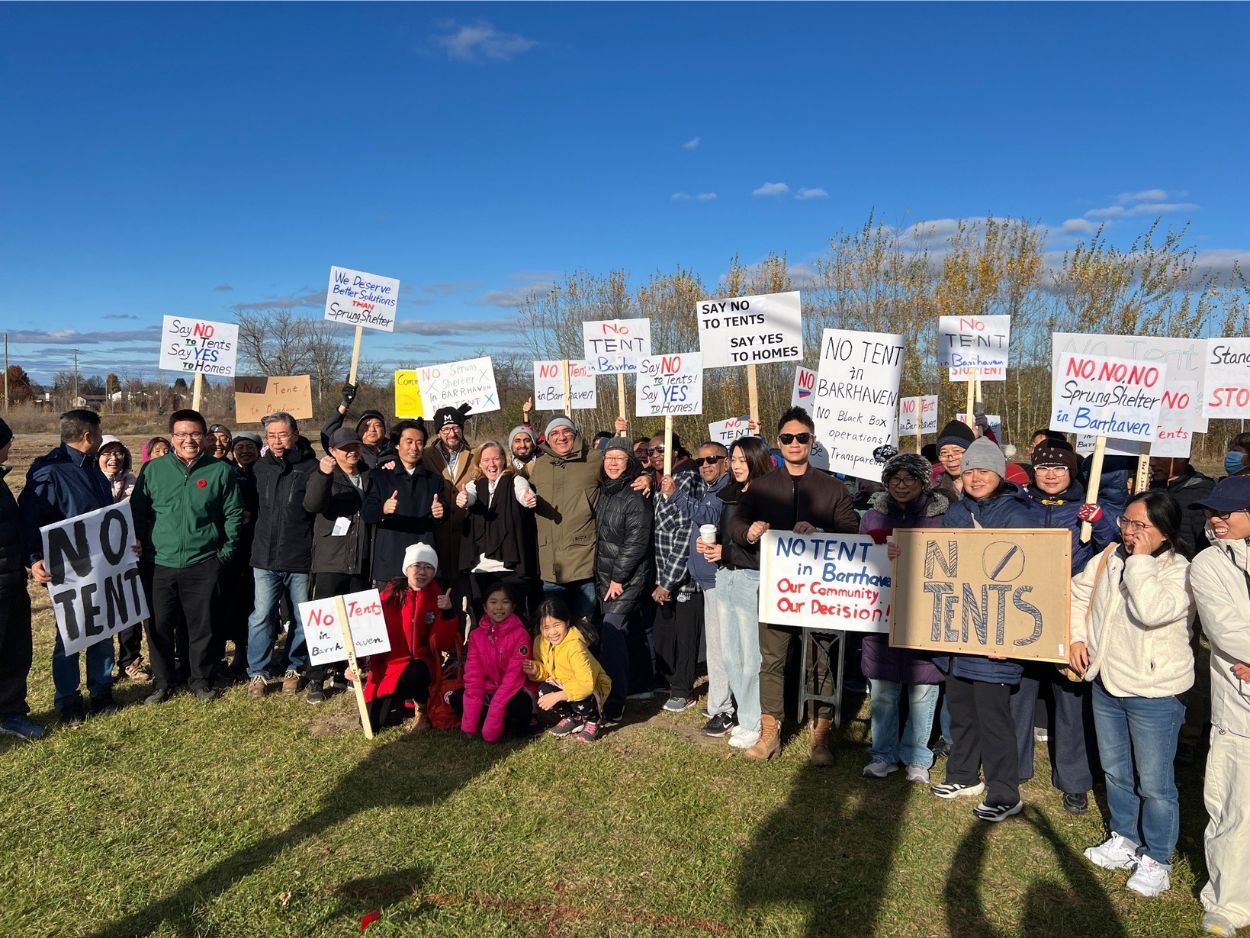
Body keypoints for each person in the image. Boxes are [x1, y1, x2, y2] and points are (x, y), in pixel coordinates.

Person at [1068, 490, 1193, 897]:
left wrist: (1139, 561)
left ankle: (1157, 856)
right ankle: (1124, 836)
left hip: (1154, 692)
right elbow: (1079, 594)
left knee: (1155, 782)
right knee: (1116, 770)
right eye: (1127, 522)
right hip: (1107, 680)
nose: (1131, 532)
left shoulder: (1181, 571)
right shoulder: (1108, 557)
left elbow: (1151, 611)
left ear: (1165, 532)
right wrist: (1075, 638)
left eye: (1142, 525)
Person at [729, 407, 859, 764]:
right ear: (778, 442)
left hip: (821, 591)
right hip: (776, 588)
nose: (795, 443)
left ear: (812, 441)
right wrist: (749, 531)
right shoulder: (761, 488)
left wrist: (821, 534)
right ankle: (770, 731)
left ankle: (821, 734)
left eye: (802, 437)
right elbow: (736, 525)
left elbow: (852, 532)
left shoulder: (832, 489)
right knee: (771, 660)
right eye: (787, 438)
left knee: (820, 659)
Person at [929, 436, 1033, 822]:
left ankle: (1005, 791)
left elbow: (1028, 574)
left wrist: (1008, 637)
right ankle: (962, 774)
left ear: (1000, 474)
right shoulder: (956, 513)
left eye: (984, 470)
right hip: (960, 631)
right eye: (970, 470)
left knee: (994, 717)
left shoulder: (1017, 514)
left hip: (996, 635)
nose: (976, 477)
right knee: (961, 710)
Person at [1013, 441, 1117, 814]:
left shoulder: (1085, 509)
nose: (1051, 474)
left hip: (1069, 611)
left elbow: (1114, 551)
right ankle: (1014, 767)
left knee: (1070, 694)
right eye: (1043, 468)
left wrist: (1101, 522)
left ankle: (1075, 780)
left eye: (1059, 468)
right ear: (1034, 471)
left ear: (1072, 471)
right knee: (1019, 690)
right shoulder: (1018, 503)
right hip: (1022, 607)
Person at [130, 409, 243, 704]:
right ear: (172, 438)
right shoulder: (154, 470)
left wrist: (224, 553)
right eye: (181, 434)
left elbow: (232, 514)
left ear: (205, 437)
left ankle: (200, 679)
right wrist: (140, 543)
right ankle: (163, 681)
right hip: (159, 563)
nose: (188, 440)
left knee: (201, 626)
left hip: (203, 562)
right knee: (158, 626)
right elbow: (139, 512)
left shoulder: (220, 471)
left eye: (194, 433)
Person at [19, 408, 116, 725]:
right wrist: (34, 558)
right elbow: (30, 520)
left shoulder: (93, 469)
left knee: (102, 629)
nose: (101, 440)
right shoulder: (50, 471)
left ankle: (101, 690)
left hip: (100, 565)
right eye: (99, 434)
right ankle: (69, 700)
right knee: (69, 636)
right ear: (88, 436)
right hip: (67, 570)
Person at [858, 452, 949, 784]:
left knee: (922, 690)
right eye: (894, 479)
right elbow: (858, 557)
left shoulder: (942, 517)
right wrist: (882, 548)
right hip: (881, 617)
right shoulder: (872, 517)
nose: (901, 485)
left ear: (924, 482)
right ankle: (883, 754)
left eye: (909, 478)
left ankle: (917, 756)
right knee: (883, 691)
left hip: (925, 616)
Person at [1187, 477, 1250, 935]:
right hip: (1239, 705)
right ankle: (1228, 904)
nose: (1216, 519)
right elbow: (1228, 632)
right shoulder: (1209, 564)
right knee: (1236, 804)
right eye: (1213, 511)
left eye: (1228, 512)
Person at [701, 437, 774, 750]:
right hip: (725, 576)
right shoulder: (729, 494)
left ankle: (753, 721)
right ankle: (744, 716)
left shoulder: (770, 498)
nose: (736, 465)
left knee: (749, 656)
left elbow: (765, 553)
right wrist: (711, 548)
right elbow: (729, 539)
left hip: (751, 579)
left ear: (757, 460)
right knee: (730, 654)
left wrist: (725, 552)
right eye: (733, 459)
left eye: (743, 459)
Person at [244, 412, 317, 698]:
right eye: (271, 435)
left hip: (298, 556)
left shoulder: (310, 467)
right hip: (263, 557)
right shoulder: (259, 468)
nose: (277, 441)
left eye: (282, 435)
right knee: (261, 615)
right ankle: (258, 673)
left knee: (301, 617)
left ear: (295, 435)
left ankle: (293, 666)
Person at [663, 440, 733, 736]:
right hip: (706, 579)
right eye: (701, 461)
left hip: (720, 578)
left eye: (712, 459)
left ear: (726, 462)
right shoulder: (710, 489)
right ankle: (720, 700)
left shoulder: (726, 492)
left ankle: (724, 709)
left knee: (720, 647)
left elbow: (707, 518)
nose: (705, 465)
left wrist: (676, 495)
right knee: (716, 644)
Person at [302, 427, 372, 704]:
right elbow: (312, 504)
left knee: (355, 620)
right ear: (333, 451)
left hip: (361, 558)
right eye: (345, 448)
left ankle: (346, 672)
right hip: (331, 559)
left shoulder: (368, 475)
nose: (351, 452)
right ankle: (316, 678)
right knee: (324, 620)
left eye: (355, 446)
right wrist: (323, 475)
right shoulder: (325, 474)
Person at [359, 542, 460, 733]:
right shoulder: (386, 596)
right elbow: (367, 633)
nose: (422, 571)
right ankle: (400, 702)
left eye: (429, 567)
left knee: (416, 673)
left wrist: (447, 613)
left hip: (420, 664)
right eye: (417, 565)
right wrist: (358, 663)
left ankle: (421, 708)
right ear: (407, 568)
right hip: (389, 664)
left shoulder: (437, 597)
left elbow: (443, 643)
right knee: (369, 724)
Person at [594, 437, 654, 722]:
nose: (613, 463)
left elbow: (636, 541)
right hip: (608, 573)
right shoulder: (606, 491)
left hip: (626, 577)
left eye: (619, 458)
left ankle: (614, 701)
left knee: (612, 630)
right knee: (631, 629)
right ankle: (641, 685)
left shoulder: (634, 494)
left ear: (629, 462)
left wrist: (618, 577)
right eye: (609, 458)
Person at [362, 420, 453, 584]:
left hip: (423, 564)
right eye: (409, 442)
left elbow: (443, 512)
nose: (414, 448)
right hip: (390, 561)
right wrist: (383, 508)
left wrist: (441, 512)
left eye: (419, 443)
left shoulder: (434, 480)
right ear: (397, 445)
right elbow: (368, 513)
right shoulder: (381, 476)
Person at [460, 441, 539, 622]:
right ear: (479, 463)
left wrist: (528, 498)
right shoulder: (474, 485)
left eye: (496, 458)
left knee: (513, 620)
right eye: (486, 460)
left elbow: (523, 493)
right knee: (482, 621)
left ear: (504, 460)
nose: (492, 464)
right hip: (480, 569)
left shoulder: (515, 480)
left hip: (509, 568)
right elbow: (469, 497)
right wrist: (463, 499)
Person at [97, 435, 152, 685]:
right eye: (107, 453)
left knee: (129, 610)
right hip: (97, 558)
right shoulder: (91, 483)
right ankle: (102, 666)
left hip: (129, 555)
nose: (113, 458)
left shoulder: (133, 482)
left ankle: (130, 661)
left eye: (118, 452)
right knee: (103, 611)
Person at [0, 419, 42, 741]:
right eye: (7, 441)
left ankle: (11, 713)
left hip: (13, 583)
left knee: (16, 652)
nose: (11, 446)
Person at [454, 583, 534, 742]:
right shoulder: (476, 636)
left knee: (520, 704)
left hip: (514, 690)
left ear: (513, 606)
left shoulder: (521, 635)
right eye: (493, 602)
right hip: (489, 689)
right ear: (484, 607)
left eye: (505, 602)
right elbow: (473, 677)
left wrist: (492, 723)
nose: (499, 607)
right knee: (457, 697)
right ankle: (488, 722)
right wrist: (469, 728)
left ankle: (506, 724)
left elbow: (513, 679)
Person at [651, 438, 697, 712]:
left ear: (675, 451)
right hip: (661, 572)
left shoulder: (686, 478)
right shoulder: (656, 479)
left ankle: (683, 689)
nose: (655, 454)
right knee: (664, 629)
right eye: (651, 451)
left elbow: (683, 532)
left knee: (686, 633)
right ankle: (668, 680)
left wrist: (668, 581)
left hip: (683, 575)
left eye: (661, 449)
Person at [524, 598, 611, 742]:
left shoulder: (574, 646)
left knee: (578, 699)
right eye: (546, 627)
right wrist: (536, 669)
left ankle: (594, 720)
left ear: (567, 622)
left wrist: (558, 696)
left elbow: (586, 684)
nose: (552, 632)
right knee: (544, 690)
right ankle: (573, 718)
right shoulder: (540, 642)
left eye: (557, 625)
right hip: (564, 683)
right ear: (540, 627)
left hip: (592, 687)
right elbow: (548, 671)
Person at [213, 430, 260, 679]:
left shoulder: (264, 473)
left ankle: (244, 654)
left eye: (250, 446)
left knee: (249, 604)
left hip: (255, 548)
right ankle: (219, 655)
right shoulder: (226, 472)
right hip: (227, 548)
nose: (245, 451)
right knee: (223, 603)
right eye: (240, 447)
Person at [424, 404, 482, 586]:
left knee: (465, 592)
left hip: (466, 536)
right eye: (446, 428)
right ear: (438, 432)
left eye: (455, 427)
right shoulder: (425, 456)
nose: (451, 433)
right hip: (436, 535)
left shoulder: (475, 455)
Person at [1150, 456, 1215, 560]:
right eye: (1152, 457)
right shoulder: (1154, 486)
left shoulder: (1200, 494)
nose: (1151, 462)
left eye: (1159, 458)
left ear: (1181, 459)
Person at [320, 382, 391, 470]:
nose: (372, 429)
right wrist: (345, 404)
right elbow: (327, 435)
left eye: (377, 425)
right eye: (366, 426)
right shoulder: (350, 452)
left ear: (384, 430)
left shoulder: (396, 451)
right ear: (358, 430)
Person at [933, 419, 975, 501]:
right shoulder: (934, 492)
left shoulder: (983, 488)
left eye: (956, 451)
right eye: (944, 453)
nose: (950, 458)